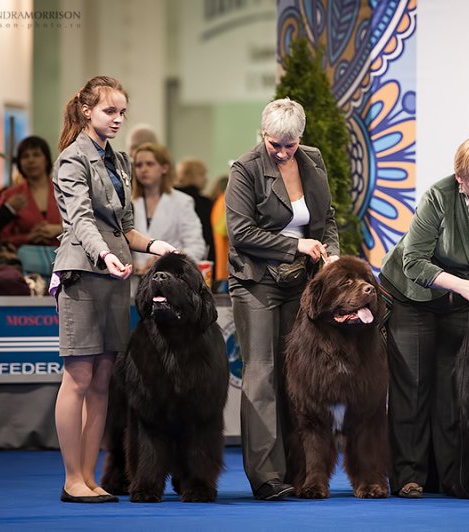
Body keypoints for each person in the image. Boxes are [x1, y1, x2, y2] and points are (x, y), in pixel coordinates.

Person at [379, 135, 469, 498]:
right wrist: (461, 285)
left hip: (461, 301)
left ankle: (451, 477)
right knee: (412, 389)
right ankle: (409, 477)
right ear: (460, 178)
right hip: (412, 297)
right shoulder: (437, 197)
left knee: (452, 390)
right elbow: (414, 262)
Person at [51, 76, 176, 503]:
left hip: (115, 274)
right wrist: (104, 256)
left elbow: (124, 228)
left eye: (123, 111)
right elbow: (81, 220)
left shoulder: (118, 161)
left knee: (103, 379)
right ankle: (72, 479)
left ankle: (88, 477)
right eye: (110, 111)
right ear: (87, 111)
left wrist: (156, 245)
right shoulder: (72, 159)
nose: (119, 119)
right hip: (83, 273)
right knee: (79, 376)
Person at [226, 97, 340, 501]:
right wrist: (296, 247)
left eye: (289, 144)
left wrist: (332, 253)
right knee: (261, 374)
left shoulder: (312, 160)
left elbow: (326, 220)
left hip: (301, 284)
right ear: (263, 134)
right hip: (255, 281)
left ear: (300, 138)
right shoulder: (245, 169)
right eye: (275, 143)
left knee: (297, 379)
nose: (282, 151)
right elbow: (240, 233)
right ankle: (266, 476)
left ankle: (299, 471)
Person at [130, 143, 206, 295]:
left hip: (170, 285)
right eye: (138, 165)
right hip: (131, 285)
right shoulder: (126, 202)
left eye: (150, 164)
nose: (143, 169)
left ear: (164, 168)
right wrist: (131, 264)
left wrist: (166, 260)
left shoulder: (182, 202)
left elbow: (197, 247)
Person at [0, 136, 63, 275]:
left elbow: (85, 225)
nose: (31, 160)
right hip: (26, 266)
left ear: (46, 159)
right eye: (25, 156)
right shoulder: (10, 195)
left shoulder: (64, 190)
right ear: (20, 162)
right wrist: (28, 237)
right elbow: (1, 237)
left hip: (65, 261)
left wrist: (59, 229)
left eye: (36, 154)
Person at [175, 158, 215, 263]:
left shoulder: (168, 197)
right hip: (194, 255)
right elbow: (208, 234)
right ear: (192, 175)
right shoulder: (203, 203)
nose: (206, 179)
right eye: (202, 175)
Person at [209, 175, 229, 291]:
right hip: (226, 257)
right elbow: (222, 228)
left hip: (221, 255)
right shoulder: (225, 199)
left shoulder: (218, 201)